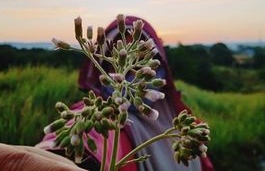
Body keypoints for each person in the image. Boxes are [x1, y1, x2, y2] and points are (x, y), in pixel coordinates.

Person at [37, 16, 214, 171]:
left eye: (140, 64)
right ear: (101, 67)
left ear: (160, 64)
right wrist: (50, 156)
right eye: (114, 64)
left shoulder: (174, 113)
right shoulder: (98, 114)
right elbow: (81, 140)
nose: (126, 76)